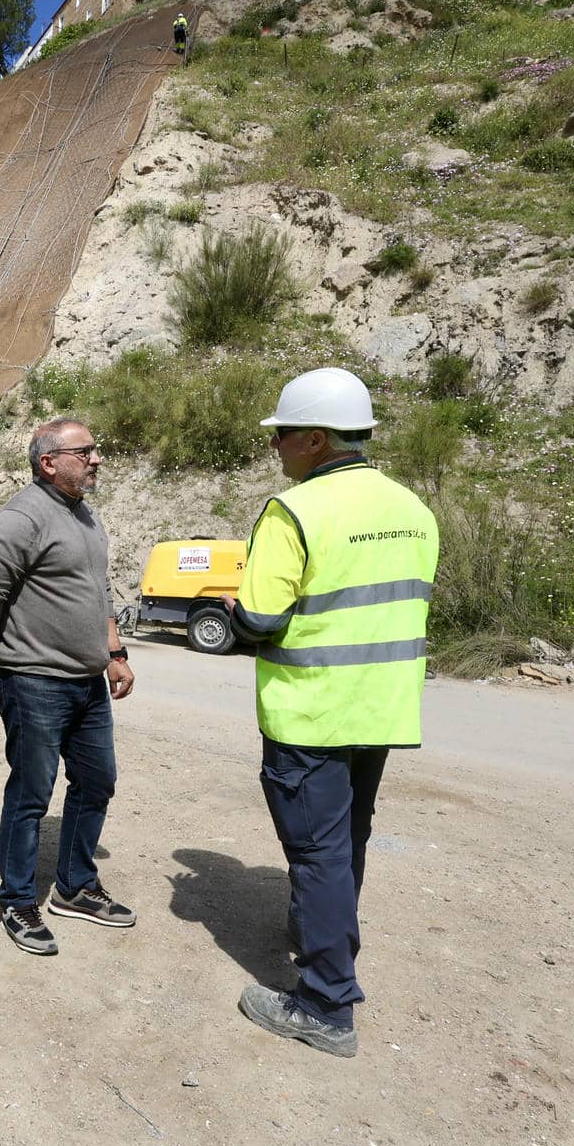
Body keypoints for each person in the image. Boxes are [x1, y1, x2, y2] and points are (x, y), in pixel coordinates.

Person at [220, 367, 439, 1059]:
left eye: (282, 434)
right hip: (381, 709)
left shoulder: (295, 512)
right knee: (346, 842)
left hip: (311, 712)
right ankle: (323, 939)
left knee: (317, 854)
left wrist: (233, 614)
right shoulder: (411, 508)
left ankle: (324, 1004)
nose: (275, 446)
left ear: (316, 438)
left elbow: (259, 617)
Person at [0, 418, 136, 958]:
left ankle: (75, 887)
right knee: (32, 794)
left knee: (97, 781)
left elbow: (99, 590)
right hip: (34, 681)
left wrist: (115, 654)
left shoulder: (85, 515)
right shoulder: (22, 517)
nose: (96, 459)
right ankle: (17, 899)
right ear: (48, 462)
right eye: (86, 452)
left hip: (88, 683)